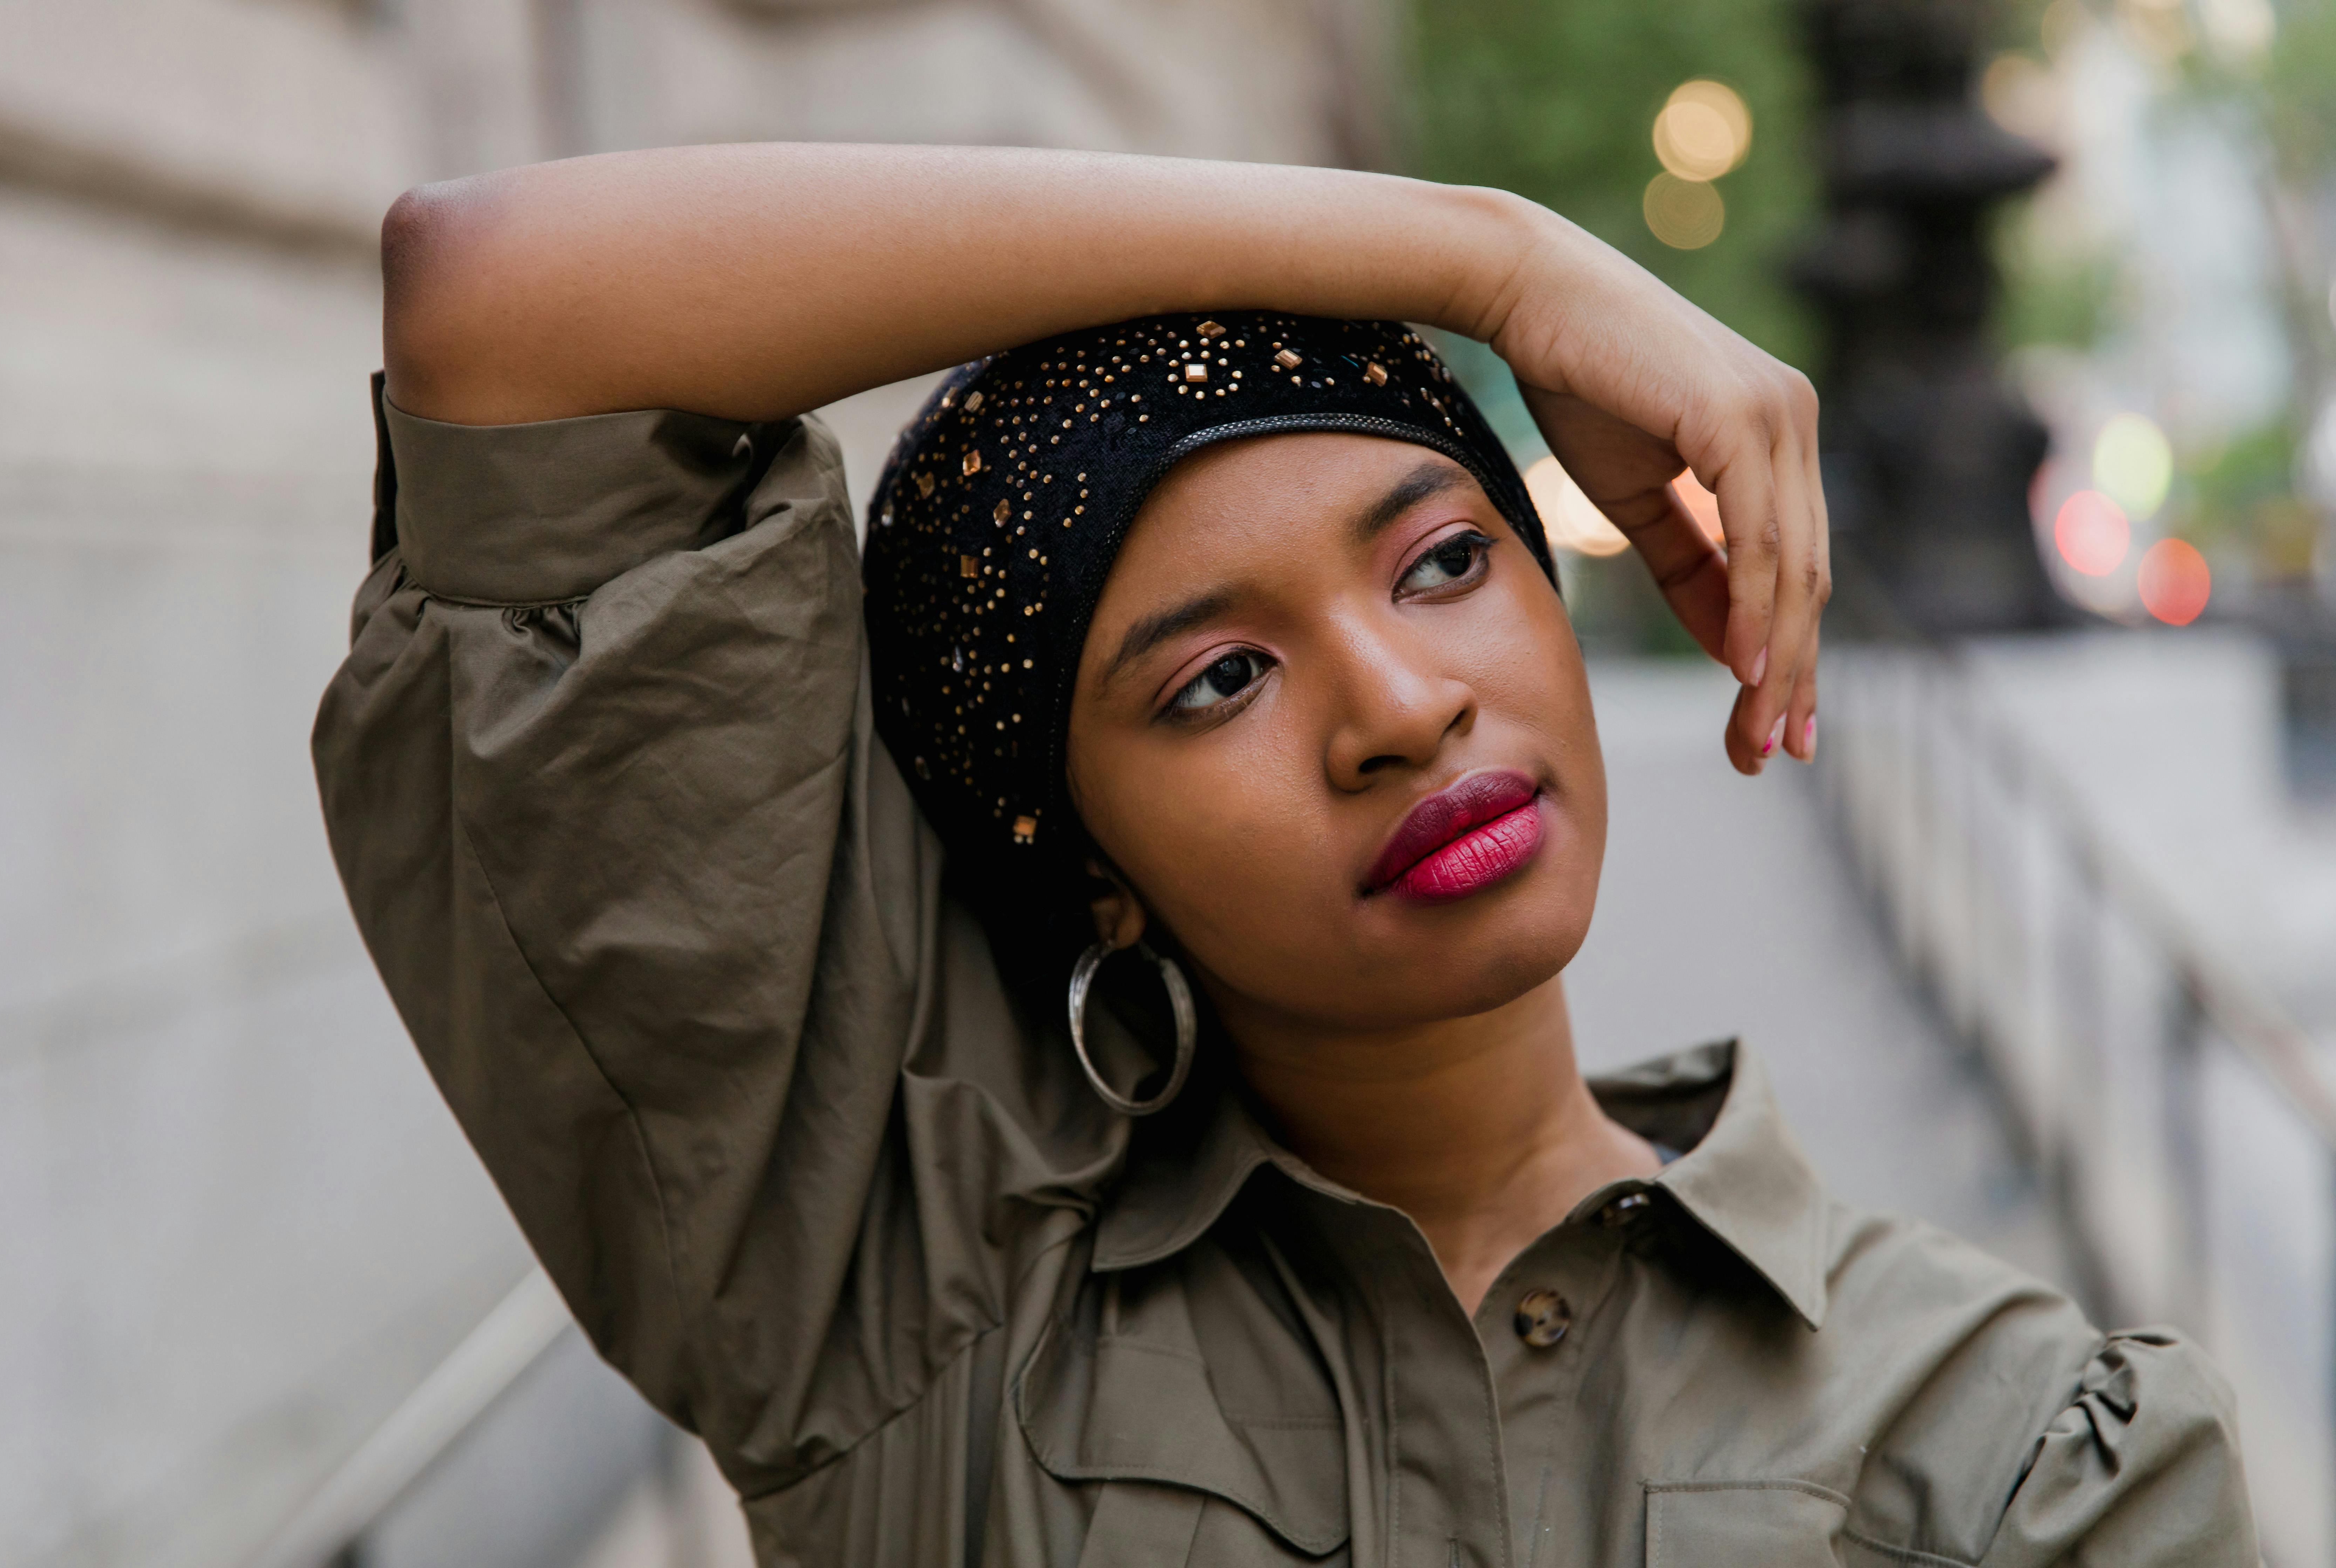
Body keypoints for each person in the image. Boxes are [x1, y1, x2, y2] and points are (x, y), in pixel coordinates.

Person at [314, 145, 2253, 1567]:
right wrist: (1487, 256)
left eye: (1444, 560)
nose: (1402, 703)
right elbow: (505, 306)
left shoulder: (2006, 1432)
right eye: (1218, 677)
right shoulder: (911, 1315)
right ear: (1087, 859)